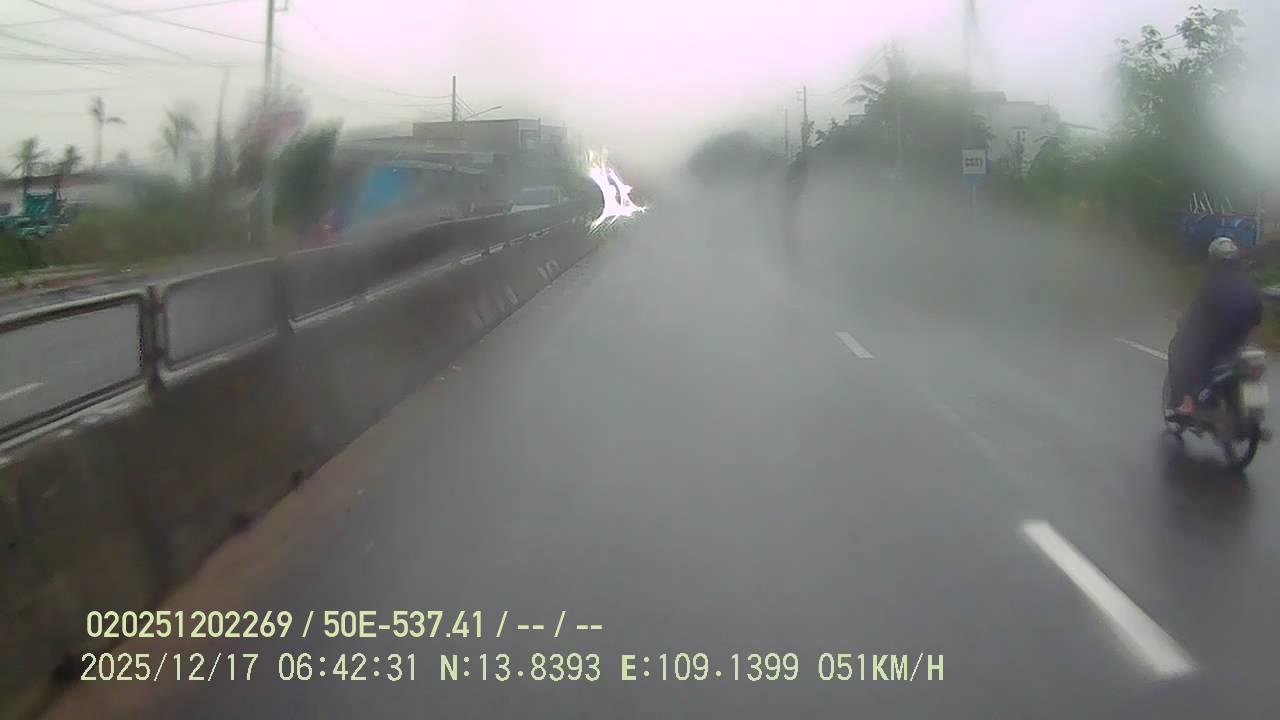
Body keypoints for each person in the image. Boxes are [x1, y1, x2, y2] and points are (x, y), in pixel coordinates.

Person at [1166, 236, 1263, 417]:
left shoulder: (1211, 283)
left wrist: (1182, 322)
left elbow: (1194, 316)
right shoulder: (1247, 281)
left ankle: (1188, 402)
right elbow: (1257, 314)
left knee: (1179, 350)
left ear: (1213, 258)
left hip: (1216, 342)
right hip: (1240, 341)